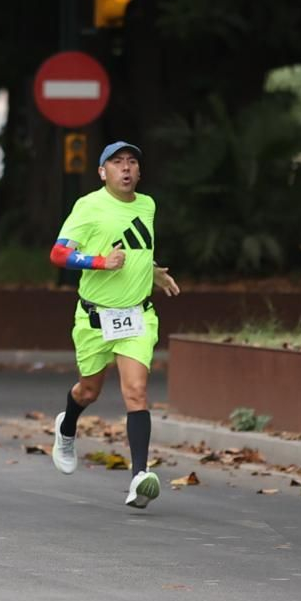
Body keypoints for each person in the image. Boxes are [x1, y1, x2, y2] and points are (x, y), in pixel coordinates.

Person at [48, 141, 180, 509]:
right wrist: (99, 262)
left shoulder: (148, 205)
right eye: (117, 162)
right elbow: (58, 254)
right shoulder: (88, 206)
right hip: (94, 317)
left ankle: (140, 476)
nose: (126, 168)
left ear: (139, 172)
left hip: (138, 315)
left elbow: (136, 247)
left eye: (132, 162)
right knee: (88, 392)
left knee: (136, 392)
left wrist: (152, 272)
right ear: (102, 172)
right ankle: (67, 425)